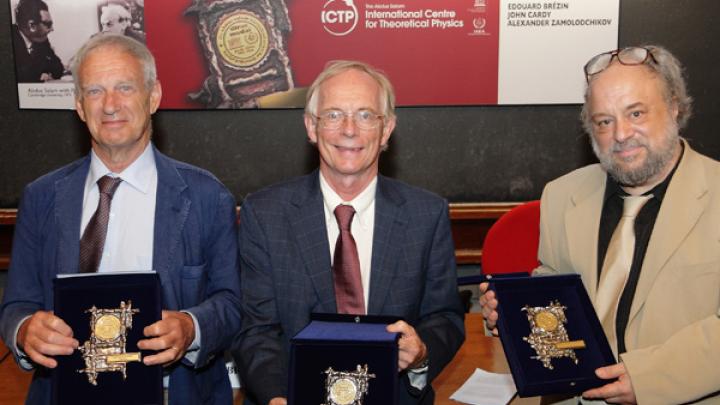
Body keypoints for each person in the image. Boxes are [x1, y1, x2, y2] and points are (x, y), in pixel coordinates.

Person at [0, 34, 241, 405]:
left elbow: (230, 304)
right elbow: (16, 305)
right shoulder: (42, 197)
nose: (110, 105)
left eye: (125, 87)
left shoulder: (207, 196)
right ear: (79, 106)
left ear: (154, 97)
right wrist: (24, 330)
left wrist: (190, 327)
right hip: (66, 394)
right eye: (95, 91)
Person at [480, 45, 720, 404]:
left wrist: (648, 380)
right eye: (604, 121)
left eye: (636, 113)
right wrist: (511, 314)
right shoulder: (562, 195)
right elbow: (554, 292)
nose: (621, 134)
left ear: (674, 107)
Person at [232, 60, 465, 405]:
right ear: (311, 127)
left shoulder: (425, 214)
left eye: (366, 115)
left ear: (387, 130)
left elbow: (445, 316)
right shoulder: (265, 214)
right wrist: (277, 397)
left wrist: (422, 351)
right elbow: (256, 330)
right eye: (334, 115)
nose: (350, 130)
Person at [11, 0, 65, 82]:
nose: (52, 29)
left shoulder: (41, 40)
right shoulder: (9, 38)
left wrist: (43, 73)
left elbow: (58, 68)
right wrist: (40, 74)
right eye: (48, 24)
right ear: (32, 26)